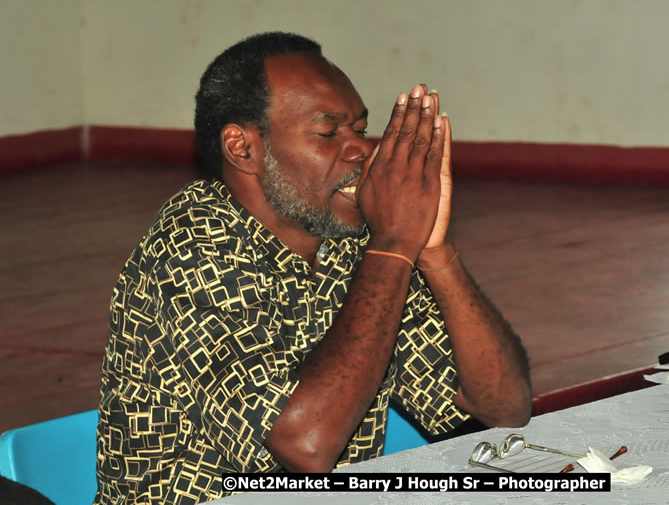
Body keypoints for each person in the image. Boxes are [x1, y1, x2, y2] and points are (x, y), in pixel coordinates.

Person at [95, 31, 531, 505]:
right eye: (328, 133)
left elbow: (501, 408)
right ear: (243, 148)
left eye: (360, 130)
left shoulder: (352, 240)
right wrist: (393, 243)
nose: (360, 150)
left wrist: (433, 251)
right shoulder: (191, 247)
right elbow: (305, 446)